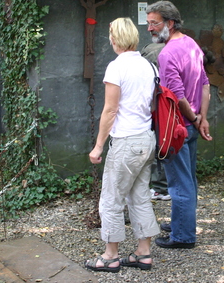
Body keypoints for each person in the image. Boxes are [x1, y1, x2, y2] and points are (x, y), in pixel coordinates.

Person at [86, 17, 159, 273]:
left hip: (126, 141)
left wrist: (98, 146)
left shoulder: (116, 67)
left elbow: (110, 110)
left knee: (111, 199)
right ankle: (143, 252)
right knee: (140, 197)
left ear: (115, 39)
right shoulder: (149, 66)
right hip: (146, 139)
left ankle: (111, 255)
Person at [145, 0, 213, 249]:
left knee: (179, 183)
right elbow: (205, 83)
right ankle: (181, 223)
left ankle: (183, 236)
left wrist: (195, 118)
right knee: (189, 179)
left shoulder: (167, 53)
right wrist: (202, 118)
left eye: (155, 23)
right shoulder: (191, 44)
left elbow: (177, 95)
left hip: (178, 129)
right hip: (191, 125)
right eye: (148, 23)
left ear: (170, 23)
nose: (150, 28)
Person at [141, 42, 171, 201]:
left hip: (157, 106)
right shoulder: (173, 48)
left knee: (159, 146)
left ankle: (161, 188)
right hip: (168, 105)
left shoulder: (150, 50)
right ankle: (163, 187)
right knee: (165, 144)